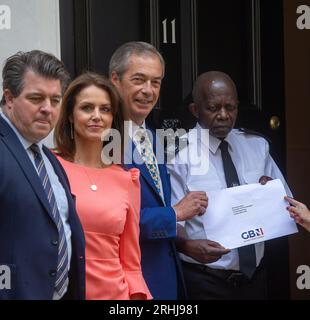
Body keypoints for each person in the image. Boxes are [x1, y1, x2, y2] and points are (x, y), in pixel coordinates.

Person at [167, 71, 292, 300]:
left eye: (230, 107)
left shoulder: (256, 146)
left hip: (255, 277)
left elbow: (288, 206)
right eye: (213, 108)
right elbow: (168, 220)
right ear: (195, 110)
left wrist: (271, 196)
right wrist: (185, 246)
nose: (223, 115)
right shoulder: (178, 156)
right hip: (205, 280)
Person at [109, 41, 208, 300]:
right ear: (115, 80)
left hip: (165, 278)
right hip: (126, 286)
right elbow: (109, 222)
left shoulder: (153, 137)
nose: (148, 91)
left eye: (156, 82)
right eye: (139, 80)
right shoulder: (101, 139)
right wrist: (175, 213)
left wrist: (184, 243)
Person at [54, 72, 151, 300]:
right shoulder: (48, 166)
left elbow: (131, 261)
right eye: (87, 108)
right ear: (70, 115)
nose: (96, 116)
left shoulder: (127, 180)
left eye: (105, 109)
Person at [0, 50, 85, 300]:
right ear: (9, 97)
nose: (47, 109)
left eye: (55, 100)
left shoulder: (46, 157)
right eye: (36, 98)